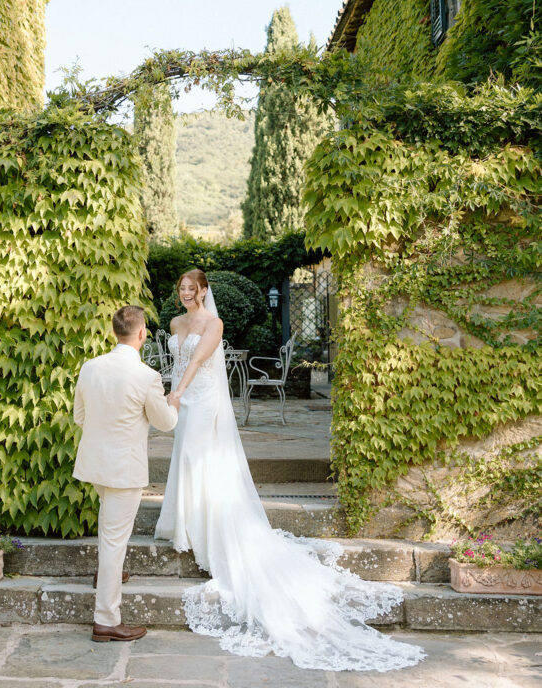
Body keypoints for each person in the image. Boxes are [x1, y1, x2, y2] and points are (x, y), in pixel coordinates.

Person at [154, 270, 425, 672]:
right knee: (185, 458)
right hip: (181, 397)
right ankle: (186, 523)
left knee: (199, 456)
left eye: (192, 289)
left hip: (202, 398)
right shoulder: (175, 323)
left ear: (204, 291)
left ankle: (208, 526)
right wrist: (169, 391)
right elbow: (174, 359)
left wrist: (175, 393)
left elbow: (196, 360)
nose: (186, 294)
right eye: (182, 289)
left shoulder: (214, 323)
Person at [73, 304, 179, 643]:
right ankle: (106, 620)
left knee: (111, 533)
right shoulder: (146, 376)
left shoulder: (90, 367)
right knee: (115, 539)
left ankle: (109, 572)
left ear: (114, 331)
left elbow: (79, 417)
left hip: (96, 465)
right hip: (124, 469)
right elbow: (165, 423)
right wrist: (173, 402)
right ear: (142, 333)